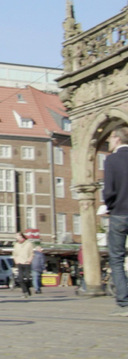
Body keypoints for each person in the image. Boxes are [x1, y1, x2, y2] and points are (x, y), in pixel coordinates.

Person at [103, 126, 128, 316]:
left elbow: (109, 190)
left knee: (117, 259)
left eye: (110, 138)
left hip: (120, 214)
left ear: (117, 139)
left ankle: (124, 301)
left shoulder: (111, 160)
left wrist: (108, 206)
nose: (108, 142)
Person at [13, 232, 34, 299]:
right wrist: (16, 260)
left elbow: (31, 253)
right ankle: (25, 292)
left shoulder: (28, 244)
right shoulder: (16, 244)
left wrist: (29, 260)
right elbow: (14, 254)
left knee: (28, 278)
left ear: (21, 236)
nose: (16, 237)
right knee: (20, 278)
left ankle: (27, 289)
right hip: (19, 262)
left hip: (26, 262)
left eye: (17, 236)